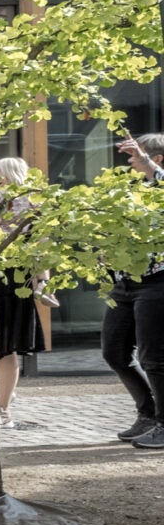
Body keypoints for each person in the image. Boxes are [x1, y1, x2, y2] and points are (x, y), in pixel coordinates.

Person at [105, 132, 164, 447]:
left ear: (157, 159)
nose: (130, 163)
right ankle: (148, 413)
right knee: (114, 352)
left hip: (158, 282)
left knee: (153, 358)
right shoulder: (131, 190)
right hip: (125, 283)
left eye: (134, 158)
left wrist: (146, 164)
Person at [0, 155, 47, 431]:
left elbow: (41, 248)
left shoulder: (8, 202)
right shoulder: (34, 204)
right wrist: (41, 283)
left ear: (9, 177)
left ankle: (2, 409)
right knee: (5, 350)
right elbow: (42, 248)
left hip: (6, 277)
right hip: (8, 277)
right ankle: (2, 407)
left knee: (4, 349)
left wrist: (42, 282)